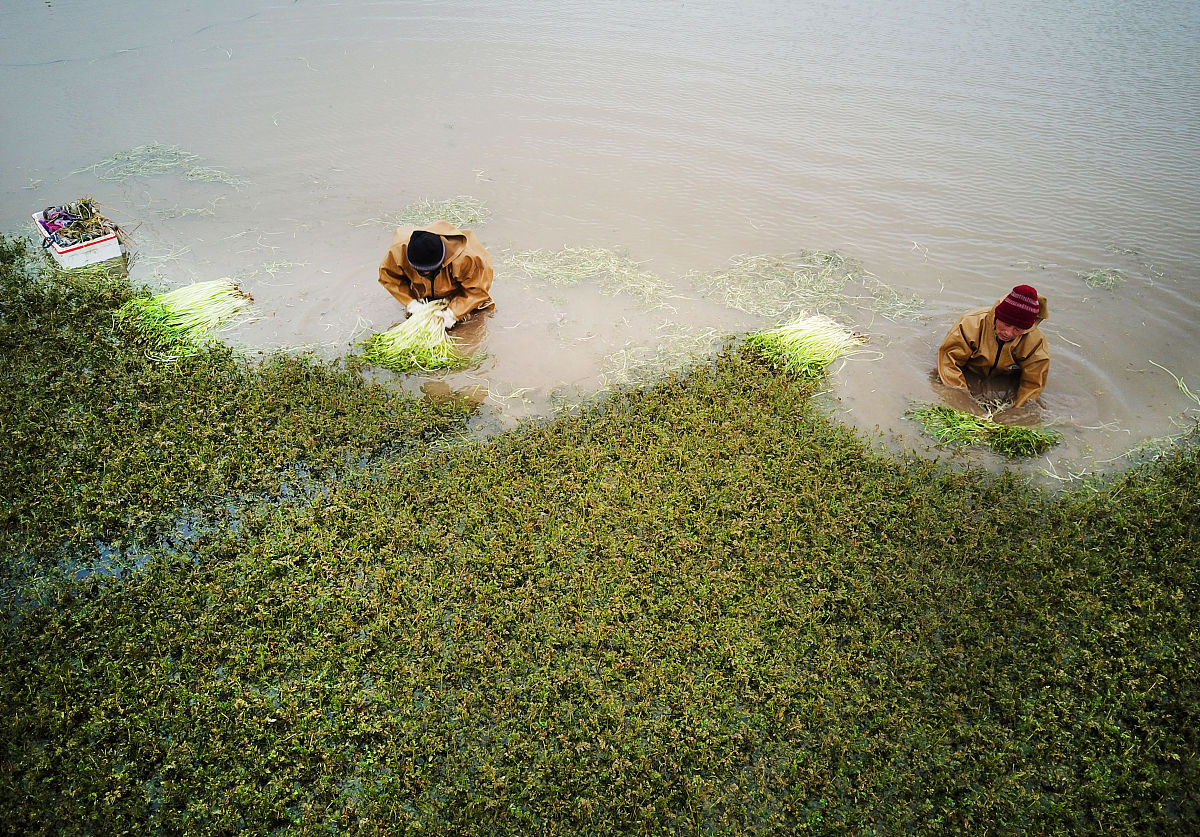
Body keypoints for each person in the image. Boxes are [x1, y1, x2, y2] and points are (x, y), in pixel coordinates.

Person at [937, 284, 1050, 408]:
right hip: (970, 370)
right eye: (1006, 324)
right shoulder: (970, 323)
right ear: (998, 315)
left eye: (1017, 329)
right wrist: (963, 399)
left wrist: (1017, 411)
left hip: (1005, 376)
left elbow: (1033, 383)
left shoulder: (1036, 341)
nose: (1008, 333)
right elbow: (948, 361)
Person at [378, 220, 494, 328]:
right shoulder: (399, 249)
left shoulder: (468, 258)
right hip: (424, 294)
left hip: (457, 294)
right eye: (421, 271)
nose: (425, 273)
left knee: (475, 320)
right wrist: (410, 303)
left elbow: (477, 291)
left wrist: (453, 313)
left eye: (429, 270)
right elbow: (389, 277)